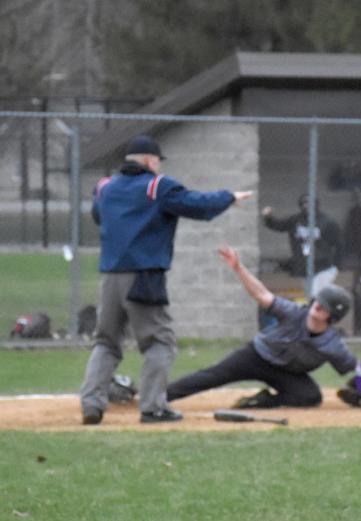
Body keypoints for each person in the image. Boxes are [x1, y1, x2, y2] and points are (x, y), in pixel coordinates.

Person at [80, 134, 253, 425]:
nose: (158, 166)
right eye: (157, 160)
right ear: (149, 160)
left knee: (107, 341)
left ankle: (92, 405)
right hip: (143, 276)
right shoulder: (157, 186)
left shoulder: (106, 188)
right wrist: (229, 197)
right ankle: (153, 407)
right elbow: (195, 204)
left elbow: (100, 216)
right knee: (159, 341)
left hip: (110, 276)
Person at [166, 246, 356, 408]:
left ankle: (263, 400)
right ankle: (157, 396)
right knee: (211, 376)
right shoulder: (294, 313)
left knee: (310, 397)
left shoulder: (332, 345)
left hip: (286, 373)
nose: (319, 306)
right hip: (256, 355)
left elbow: (353, 368)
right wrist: (239, 268)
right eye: (318, 301)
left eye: (326, 306)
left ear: (334, 316)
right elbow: (262, 295)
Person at [262, 193, 342, 296]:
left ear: (316, 205)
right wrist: (268, 217)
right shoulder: (296, 220)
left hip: (323, 266)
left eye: (309, 203)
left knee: (315, 294)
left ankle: (316, 310)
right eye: (303, 203)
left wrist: (338, 264)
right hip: (304, 265)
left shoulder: (328, 222)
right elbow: (278, 225)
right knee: (310, 294)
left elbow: (339, 244)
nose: (306, 206)